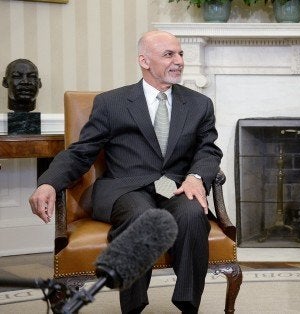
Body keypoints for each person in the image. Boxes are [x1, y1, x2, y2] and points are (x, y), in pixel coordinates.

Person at [28, 30, 222, 314]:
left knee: (193, 212)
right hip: (126, 188)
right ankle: (133, 307)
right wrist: (48, 184)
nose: (179, 60)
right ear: (144, 60)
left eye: (180, 53)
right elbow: (81, 152)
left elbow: (209, 150)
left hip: (172, 187)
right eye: (169, 54)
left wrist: (196, 177)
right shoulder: (111, 103)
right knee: (140, 216)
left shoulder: (199, 104)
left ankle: (188, 304)